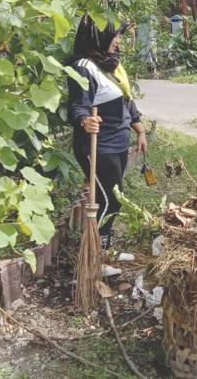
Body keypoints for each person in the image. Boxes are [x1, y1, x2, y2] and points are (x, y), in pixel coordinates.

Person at [67, 15, 147, 251]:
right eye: (115, 36)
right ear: (98, 36)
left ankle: (104, 250)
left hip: (117, 145)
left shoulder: (109, 63)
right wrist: (84, 121)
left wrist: (139, 129)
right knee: (110, 201)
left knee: (112, 200)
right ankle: (96, 254)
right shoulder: (83, 67)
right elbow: (76, 105)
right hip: (98, 148)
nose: (119, 41)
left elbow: (126, 100)